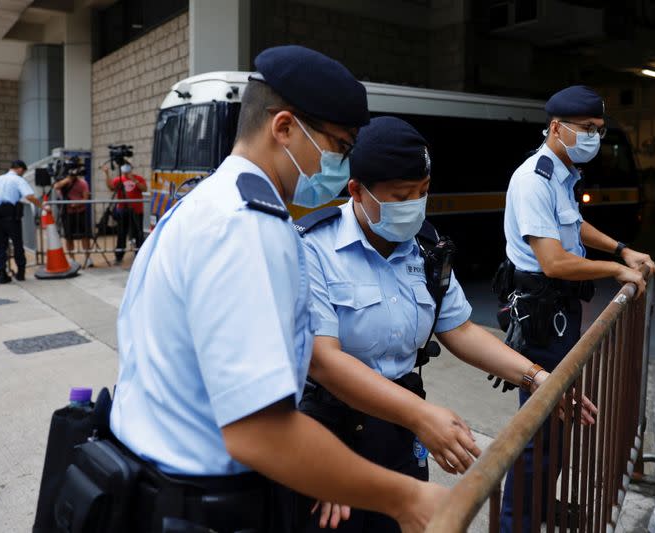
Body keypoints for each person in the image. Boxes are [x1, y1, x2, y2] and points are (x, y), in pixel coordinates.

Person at [108, 46, 447, 533]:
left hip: (160, 483)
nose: (344, 166)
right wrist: (406, 498)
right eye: (340, 147)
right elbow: (260, 431)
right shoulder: (247, 229)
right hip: (203, 503)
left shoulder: (206, 203)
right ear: (284, 128)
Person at [291, 116, 597, 532]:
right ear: (357, 191)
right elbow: (324, 361)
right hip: (328, 434)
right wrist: (422, 416)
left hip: (398, 432)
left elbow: (460, 329)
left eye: (422, 192)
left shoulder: (428, 249)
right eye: (401, 195)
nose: (414, 204)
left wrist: (535, 377)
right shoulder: (314, 248)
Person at [497, 85, 655, 532]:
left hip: (560, 313)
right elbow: (552, 260)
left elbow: (574, 224)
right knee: (537, 432)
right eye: (587, 129)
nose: (594, 138)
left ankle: (540, 508)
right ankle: (516, 524)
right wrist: (614, 270)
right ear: (556, 128)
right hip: (540, 318)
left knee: (556, 429)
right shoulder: (533, 179)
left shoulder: (561, 175)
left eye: (599, 131)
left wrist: (621, 249)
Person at [0, 160, 42, 284]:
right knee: (17, 243)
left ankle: (2, 274)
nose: (22, 174)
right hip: (10, 213)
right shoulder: (18, 180)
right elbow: (29, 196)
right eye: (23, 171)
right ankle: (21, 272)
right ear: (19, 169)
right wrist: (42, 206)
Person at [102, 161, 146, 264]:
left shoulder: (138, 178)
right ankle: (119, 256)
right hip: (122, 210)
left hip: (136, 210)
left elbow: (144, 188)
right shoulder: (119, 179)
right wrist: (107, 174)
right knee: (121, 234)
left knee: (137, 233)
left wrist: (134, 180)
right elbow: (111, 187)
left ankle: (139, 255)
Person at [53, 167, 93, 267]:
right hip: (67, 213)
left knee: (85, 236)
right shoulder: (64, 182)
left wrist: (77, 203)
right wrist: (68, 179)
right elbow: (56, 187)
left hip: (80, 212)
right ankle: (72, 259)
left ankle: (88, 258)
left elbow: (86, 198)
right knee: (69, 237)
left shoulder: (83, 183)